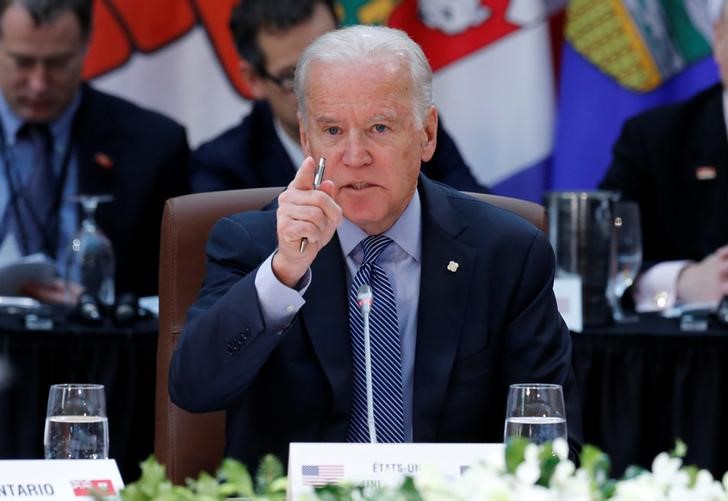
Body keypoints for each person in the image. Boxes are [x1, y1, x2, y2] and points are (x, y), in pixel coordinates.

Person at [170, 25, 581, 469]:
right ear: (307, 141)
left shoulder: (508, 253)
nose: (355, 155)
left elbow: (553, 442)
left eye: (379, 127)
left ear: (426, 134)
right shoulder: (255, 245)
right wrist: (284, 272)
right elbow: (194, 389)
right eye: (332, 130)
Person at [190, 0, 489, 194]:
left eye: (328, 61)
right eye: (292, 76)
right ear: (254, 79)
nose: (320, 89)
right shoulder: (224, 169)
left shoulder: (403, 122)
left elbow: (477, 219)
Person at [0, 0, 189, 303]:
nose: (38, 84)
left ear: (86, 45)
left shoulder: (152, 144)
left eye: (58, 64)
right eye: (23, 62)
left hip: (100, 340)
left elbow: (174, 288)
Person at [598, 4, 728, 312]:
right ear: (719, 37)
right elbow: (600, 246)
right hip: (686, 353)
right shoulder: (655, 138)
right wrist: (680, 280)